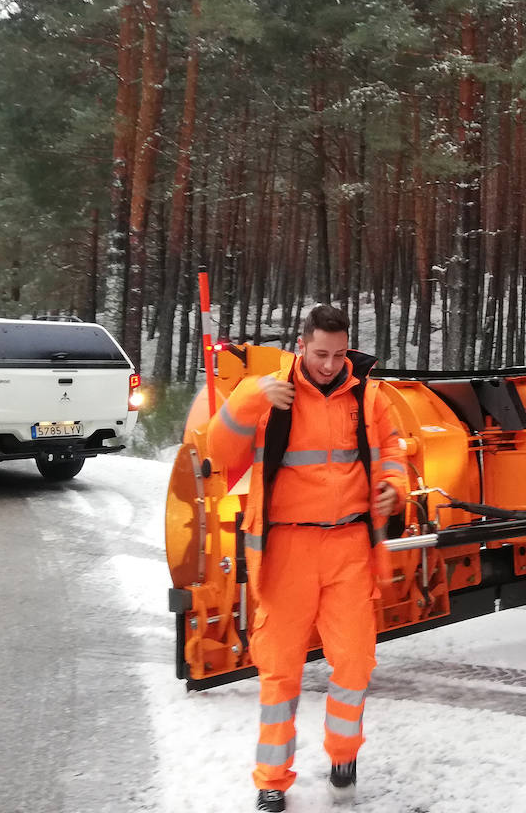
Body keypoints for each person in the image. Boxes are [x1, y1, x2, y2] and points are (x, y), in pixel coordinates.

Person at [208, 304, 408, 812]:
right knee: (279, 671)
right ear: (301, 345)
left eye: (339, 354)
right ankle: (272, 781)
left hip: (347, 548)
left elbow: (392, 454)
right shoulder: (269, 393)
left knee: (356, 662)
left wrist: (393, 489)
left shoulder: (370, 397)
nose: (329, 364)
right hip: (286, 549)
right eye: (320, 353)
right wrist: (250, 397)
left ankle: (344, 757)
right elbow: (218, 451)